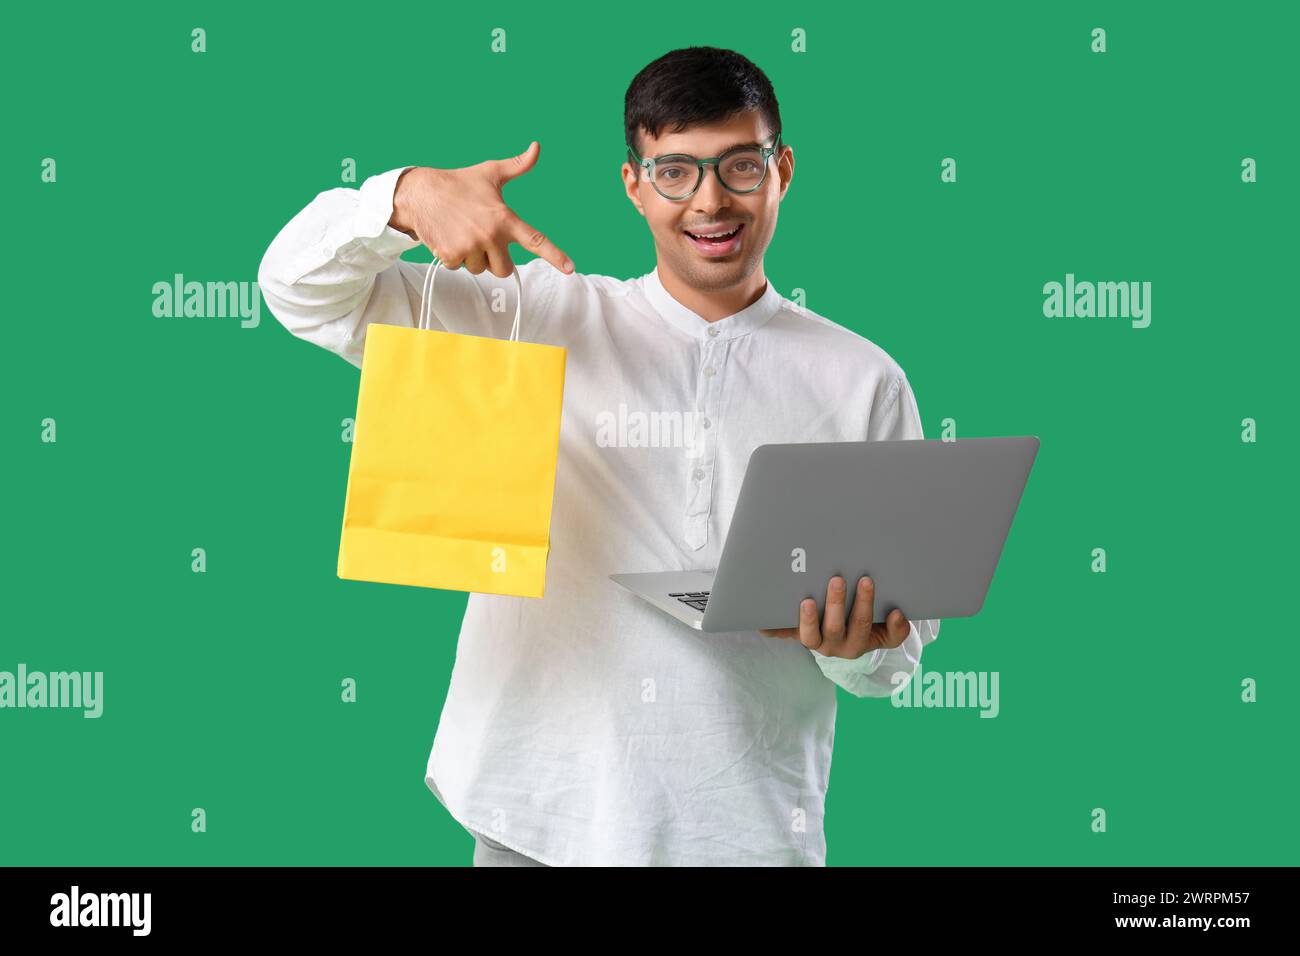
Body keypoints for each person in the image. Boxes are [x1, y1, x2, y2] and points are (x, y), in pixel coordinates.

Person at [258, 45, 940, 866]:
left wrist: (857, 648)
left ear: (783, 169)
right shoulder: (533, 319)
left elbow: (897, 659)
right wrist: (401, 197)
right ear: (634, 185)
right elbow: (297, 289)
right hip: (533, 819)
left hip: (747, 834)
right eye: (676, 172)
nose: (711, 201)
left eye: (741, 167)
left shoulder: (863, 379)